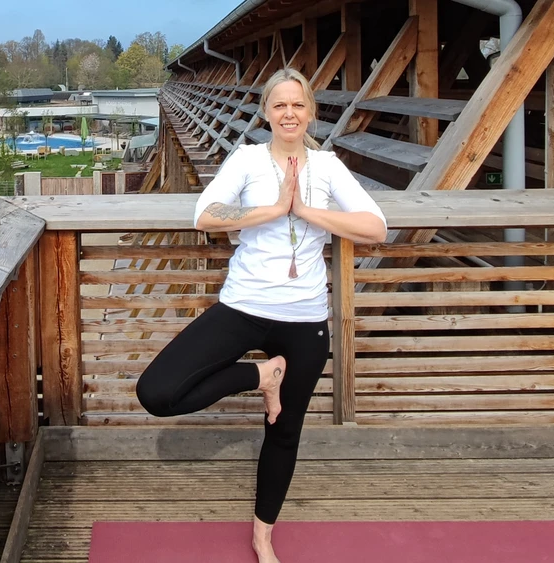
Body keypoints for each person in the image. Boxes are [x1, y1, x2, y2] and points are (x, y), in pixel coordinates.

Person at [136, 68, 387, 563]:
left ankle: (263, 534)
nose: (289, 114)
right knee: (157, 392)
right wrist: (273, 209)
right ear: (267, 113)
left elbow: (375, 226)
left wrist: (308, 212)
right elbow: (206, 216)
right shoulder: (247, 159)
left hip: (305, 320)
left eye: (298, 105)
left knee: (284, 431)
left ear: (310, 112)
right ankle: (261, 375)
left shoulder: (329, 167)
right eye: (280, 106)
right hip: (244, 307)